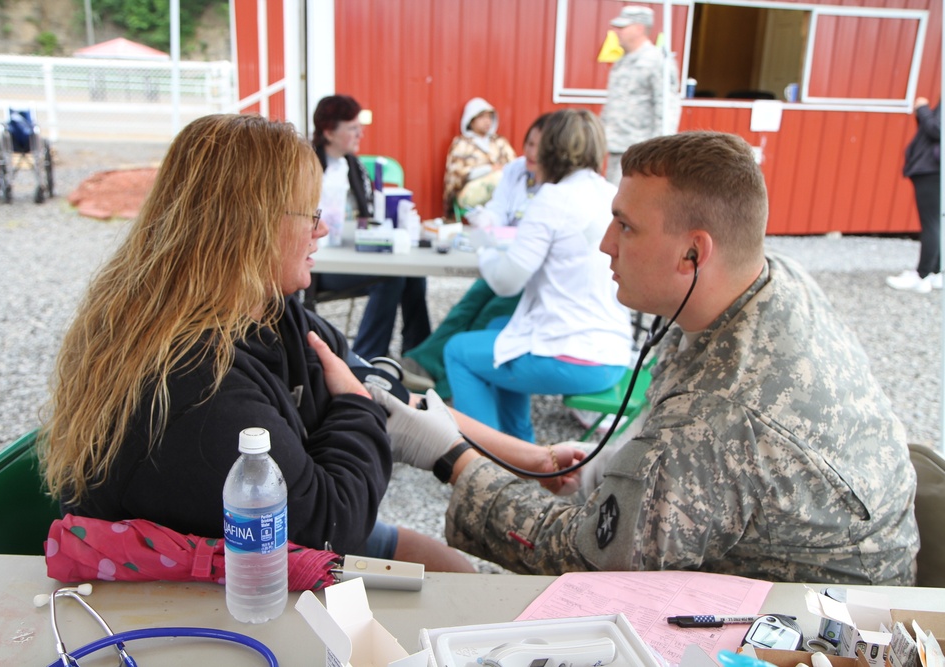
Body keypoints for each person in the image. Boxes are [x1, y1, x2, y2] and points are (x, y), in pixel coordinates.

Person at [370, 131, 919, 585]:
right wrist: (615, 465)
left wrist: (451, 458)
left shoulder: (717, 417)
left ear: (693, 252)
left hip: (817, 628)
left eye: (626, 226)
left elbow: (586, 560)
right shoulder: (767, 280)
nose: (606, 244)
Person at [39, 114, 473, 572]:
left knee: (449, 567)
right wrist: (356, 405)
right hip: (209, 588)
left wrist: (527, 457)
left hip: (257, 546)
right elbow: (327, 528)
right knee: (448, 582)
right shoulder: (194, 379)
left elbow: (378, 389)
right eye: (309, 214)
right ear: (249, 227)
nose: (320, 230)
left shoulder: (262, 309)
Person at [442, 110, 633, 442]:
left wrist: (482, 244)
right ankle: (520, 444)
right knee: (497, 329)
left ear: (550, 152)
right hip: (613, 351)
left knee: (458, 351)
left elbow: (505, 283)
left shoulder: (553, 199)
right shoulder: (607, 193)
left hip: (574, 357)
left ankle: (488, 459)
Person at [402, 113, 550, 399]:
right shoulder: (516, 169)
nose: (531, 152)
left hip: (531, 274)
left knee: (490, 313)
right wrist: (486, 219)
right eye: (529, 143)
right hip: (507, 258)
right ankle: (422, 361)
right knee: (469, 305)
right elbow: (497, 208)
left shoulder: (558, 189)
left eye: (539, 146)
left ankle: (443, 380)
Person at [309, 95, 432, 362]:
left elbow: (368, 216)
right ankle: (367, 357)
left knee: (413, 273)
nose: (360, 133)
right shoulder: (308, 168)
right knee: (391, 276)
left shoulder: (353, 166)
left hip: (349, 253)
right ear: (329, 132)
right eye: (352, 128)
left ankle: (417, 356)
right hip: (319, 263)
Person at [600, 5, 681, 186]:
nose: (616, 32)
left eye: (622, 28)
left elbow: (667, 108)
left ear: (639, 28)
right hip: (616, 148)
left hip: (640, 152)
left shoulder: (658, 61)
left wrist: (660, 153)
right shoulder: (622, 62)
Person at [887, 97, 942, 293]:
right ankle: (935, 272)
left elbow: (937, 130)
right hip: (935, 171)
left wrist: (923, 108)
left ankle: (922, 276)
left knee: (932, 223)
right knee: (937, 222)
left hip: (932, 171)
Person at [442, 97, 517, 217]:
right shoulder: (462, 144)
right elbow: (456, 175)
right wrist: (489, 170)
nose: (487, 121)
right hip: (468, 192)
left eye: (489, 117)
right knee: (498, 178)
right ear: (471, 120)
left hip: (502, 188)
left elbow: (515, 165)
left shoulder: (499, 142)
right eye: (482, 117)